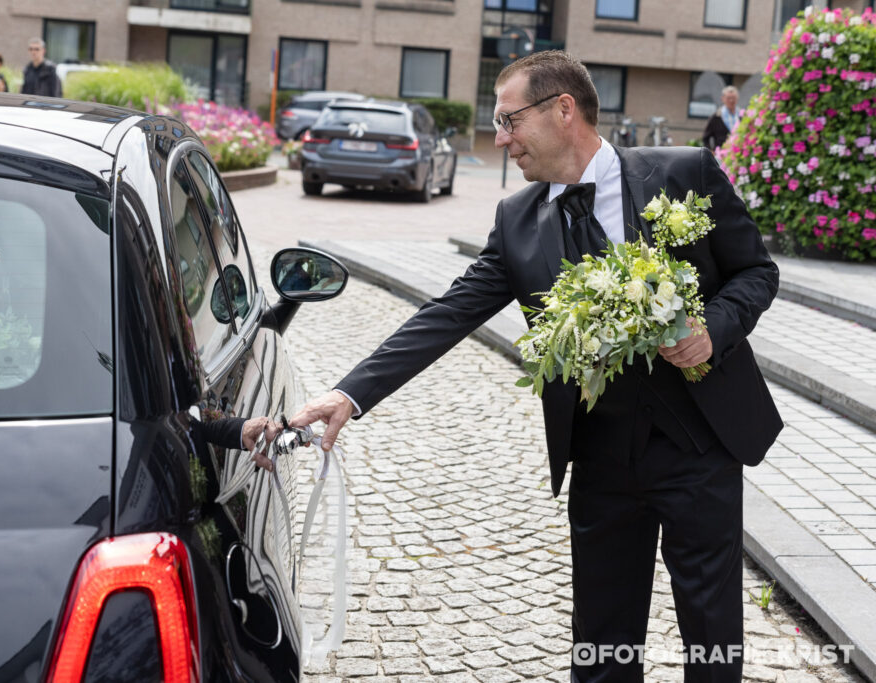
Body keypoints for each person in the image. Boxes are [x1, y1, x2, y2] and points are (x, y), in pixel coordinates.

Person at [291, 51, 782, 682]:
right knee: (601, 641)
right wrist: (348, 394)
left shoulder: (682, 173)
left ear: (563, 110)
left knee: (712, 637)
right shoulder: (517, 222)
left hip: (700, 444)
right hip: (600, 455)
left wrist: (712, 331)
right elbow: (446, 314)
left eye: (508, 120)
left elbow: (756, 272)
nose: (499, 138)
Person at [703, 85, 740, 151]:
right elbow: (705, 137)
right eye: (728, 98)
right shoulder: (716, 117)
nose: (731, 100)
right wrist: (710, 152)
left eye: (733, 98)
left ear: (737, 98)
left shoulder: (742, 115)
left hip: (739, 153)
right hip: (721, 154)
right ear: (722, 98)